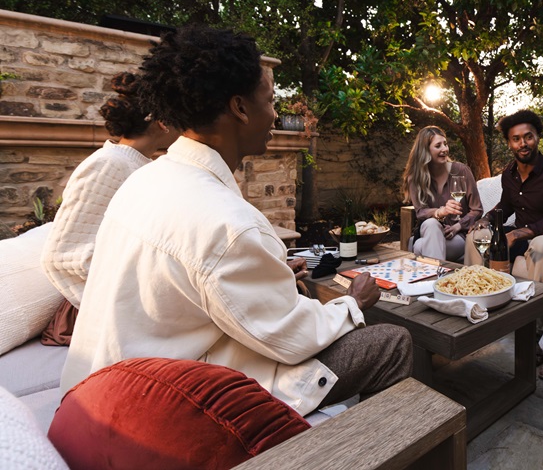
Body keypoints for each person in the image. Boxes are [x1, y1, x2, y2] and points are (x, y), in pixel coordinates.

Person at [61, 25, 412, 415]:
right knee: (391, 342)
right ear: (240, 108)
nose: (276, 115)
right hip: (163, 410)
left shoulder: (144, 180)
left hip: (98, 390)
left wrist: (268, 276)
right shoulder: (227, 223)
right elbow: (290, 337)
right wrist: (352, 302)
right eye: (271, 101)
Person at [41, 72, 179, 341]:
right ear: (162, 122)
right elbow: (62, 254)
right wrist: (133, 295)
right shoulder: (108, 164)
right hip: (98, 308)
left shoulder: (144, 165)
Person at [464, 109, 543, 284]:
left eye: (528, 137)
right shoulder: (509, 173)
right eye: (516, 139)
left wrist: (517, 234)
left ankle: (541, 302)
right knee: (476, 236)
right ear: (509, 143)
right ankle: (475, 289)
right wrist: (486, 218)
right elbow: (506, 205)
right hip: (521, 238)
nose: (523, 143)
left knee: (540, 245)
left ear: (538, 137)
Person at [402, 126, 482, 262]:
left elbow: (477, 209)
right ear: (425, 151)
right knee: (431, 223)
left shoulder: (461, 171)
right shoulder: (415, 178)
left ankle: (433, 274)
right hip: (430, 232)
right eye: (438, 146)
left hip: (457, 236)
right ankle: (438, 274)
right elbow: (420, 212)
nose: (444, 149)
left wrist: (457, 226)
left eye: (445, 144)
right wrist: (440, 211)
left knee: (419, 246)